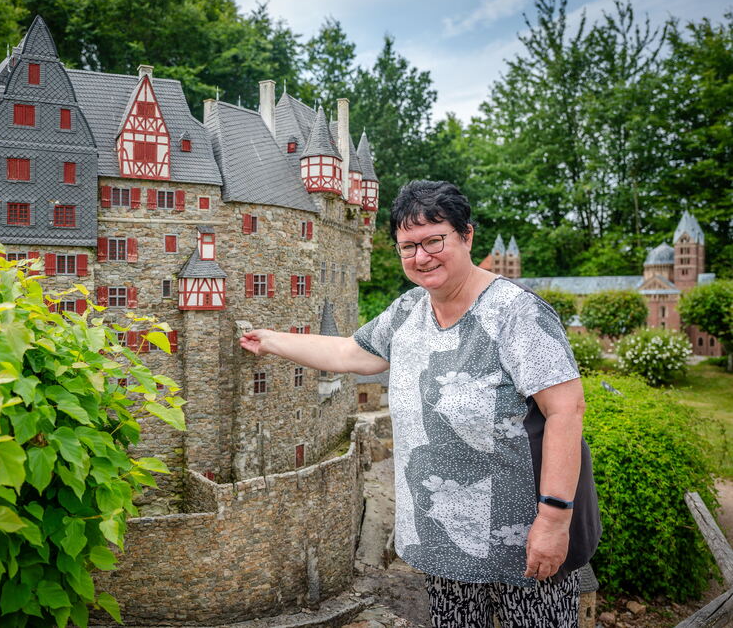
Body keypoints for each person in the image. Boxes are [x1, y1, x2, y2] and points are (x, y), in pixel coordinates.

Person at [239, 180, 600, 627]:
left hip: (521, 542)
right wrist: (271, 340)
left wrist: (553, 521)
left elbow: (567, 410)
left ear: (466, 236)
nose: (422, 256)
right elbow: (350, 353)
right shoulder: (410, 310)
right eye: (408, 246)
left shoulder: (516, 313)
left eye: (434, 240)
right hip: (444, 539)